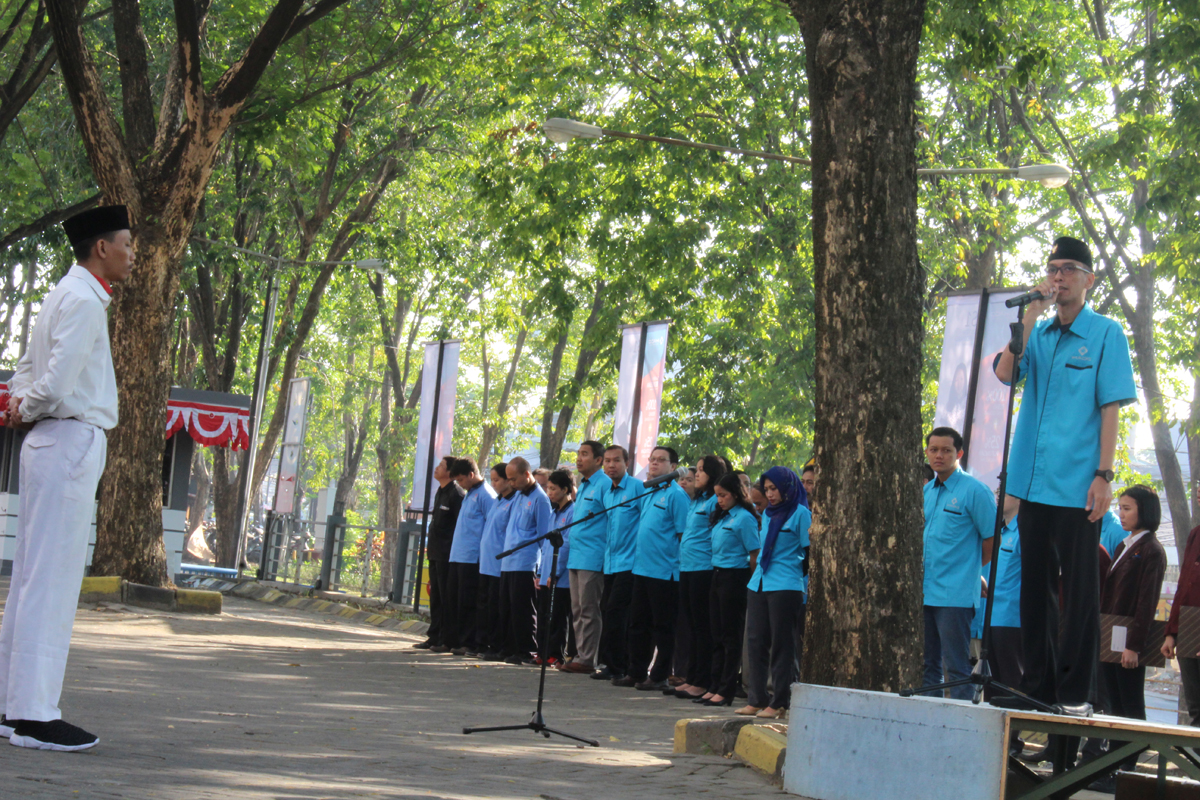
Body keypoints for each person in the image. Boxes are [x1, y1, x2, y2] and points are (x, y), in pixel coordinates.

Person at [0, 205, 133, 752]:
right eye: (126, 243)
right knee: (50, 582)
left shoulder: (63, 294)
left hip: (47, 444)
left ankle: (12, 707)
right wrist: (28, 405)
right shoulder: (83, 301)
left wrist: (18, 405)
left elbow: (29, 374)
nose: (132, 253)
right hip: (70, 438)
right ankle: (33, 715)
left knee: (32, 579)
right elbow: (51, 383)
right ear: (100, 247)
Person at [993, 235, 1137, 715]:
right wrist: (1027, 321)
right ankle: (1039, 689)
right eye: (1053, 268)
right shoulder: (1038, 333)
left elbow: (1111, 407)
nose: (1058, 277)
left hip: (1078, 486)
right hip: (1031, 485)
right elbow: (1003, 374)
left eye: (1069, 268)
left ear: (1089, 280)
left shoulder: (1106, 334)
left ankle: (1076, 695)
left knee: (1076, 594)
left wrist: (1104, 474)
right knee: (1033, 595)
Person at [1093, 486, 1166, 776]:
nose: (1121, 514)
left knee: (1130, 703)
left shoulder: (1151, 550)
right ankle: (1115, 766)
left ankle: (1128, 768)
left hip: (1128, 641)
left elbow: (1146, 603)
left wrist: (1134, 645)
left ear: (1144, 511)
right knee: (1115, 704)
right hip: (1112, 635)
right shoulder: (1125, 545)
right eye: (1120, 508)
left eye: (1127, 508)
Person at [921, 427, 996, 701]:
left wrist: (972, 571)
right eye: (934, 449)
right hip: (923, 591)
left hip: (954, 595)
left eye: (946, 450)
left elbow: (991, 540)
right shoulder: (927, 491)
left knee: (955, 665)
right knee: (925, 665)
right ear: (927, 452)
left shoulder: (975, 491)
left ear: (959, 454)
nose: (939, 455)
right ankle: (927, 721)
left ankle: (961, 725)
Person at [739, 467, 810, 720]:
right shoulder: (767, 513)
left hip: (785, 585)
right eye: (766, 489)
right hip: (759, 582)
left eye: (774, 488)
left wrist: (794, 575)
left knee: (782, 644)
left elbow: (808, 553)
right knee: (756, 641)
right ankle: (757, 699)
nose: (770, 494)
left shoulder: (801, 513)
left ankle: (780, 701)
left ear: (787, 487)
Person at [622, 446, 689, 691]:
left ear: (673, 467)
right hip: (641, 569)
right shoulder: (649, 492)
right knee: (638, 624)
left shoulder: (676, 495)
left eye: (661, 460)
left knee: (663, 627)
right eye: (652, 460)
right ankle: (636, 671)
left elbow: (683, 535)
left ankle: (659, 675)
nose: (654, 464)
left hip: (665, 572)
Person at [697, 472, 760, 707]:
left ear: (735, 494)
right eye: (717, 496)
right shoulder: (722, 517)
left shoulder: (744, 518)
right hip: (717, 574)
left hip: (735, 577)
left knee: (730, 635)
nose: (719, 500)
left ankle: (726, 689)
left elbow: (754, 553)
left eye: (723, 496)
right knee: (716, 634)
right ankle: (714, 685)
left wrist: (752, 584)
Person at [673, 456, 726, 701]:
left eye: (703, 470)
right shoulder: (696, 500)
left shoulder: (716, 501)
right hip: (687, 568)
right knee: (691, 626)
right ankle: (691, 677)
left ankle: (702, 680)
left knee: (703, 627)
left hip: (704, 569)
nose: (697, 474)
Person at [595, 445, 643, 682]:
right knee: (608, 612)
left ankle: (620, 666)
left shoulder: (637, 488)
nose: (611, 465)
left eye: (616, 461)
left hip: (630, 563)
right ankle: (612, 665)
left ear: (627, 462)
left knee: (618, 614)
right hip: (610, 563)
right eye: (607, 461)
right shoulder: (607, 492)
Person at [499, 457, 553, 664]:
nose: (511, 483)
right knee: (508, 608)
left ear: (526, 475)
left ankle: (526, 650)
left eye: (513, 479)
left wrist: (542, 570)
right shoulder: (518, 497)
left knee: (523, 609)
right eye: (508, 479)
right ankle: (509, 647)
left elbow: (543, 536)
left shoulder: (540, 499)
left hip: (526, 562)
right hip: (509, 561)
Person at [560, 440, 607, 674]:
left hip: (593, 555)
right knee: (577, 610)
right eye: (578, 454)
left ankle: (588, 659)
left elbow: (611, 521)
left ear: (599, 460)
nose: (579, 459)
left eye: (585, 454)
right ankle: (579, 654)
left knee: (589, 610)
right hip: (576, 555)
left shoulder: (605, 484)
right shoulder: (585, 484)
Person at [446, 458, 497, 656]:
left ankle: (471, 641)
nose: (459, 484)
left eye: (461, 480)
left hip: (473, 557)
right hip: (458, 555)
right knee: (456, 600)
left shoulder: (486, 495)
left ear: (471, 475)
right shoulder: (469, 494)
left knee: (469, 601)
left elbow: (490, 526)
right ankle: (458, 639)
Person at [416, 456, 465, 653]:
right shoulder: (440, 492)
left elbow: (458, 526)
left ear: (451, 472)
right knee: (435, 596)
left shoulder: (456, 494)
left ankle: (447, 638)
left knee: (446, 597)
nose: (436, 469)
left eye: (441, 466)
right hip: (435, 552)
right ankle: (434, 636)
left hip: (448, 554)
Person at [1163, 482, 1200, 726]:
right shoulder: (1195, 533)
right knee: (1196, 708)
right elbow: (1182, 588)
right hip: (1189, 627)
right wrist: (1171, 633)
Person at [476, 464, 516, 660]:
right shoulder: (497, 501)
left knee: (498, 607)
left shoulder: (514, 501)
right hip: (486, 562)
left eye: (497, 479)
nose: (494, 483)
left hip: (500, 564)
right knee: (485, 605)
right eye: (491, 480)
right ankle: (485, 643)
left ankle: (498, 645)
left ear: (509, 480)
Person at [535, 470, 575, 665]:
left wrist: (554, 572)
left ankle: (555, 653)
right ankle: (541, 652)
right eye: (547, 488)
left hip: (560, 577)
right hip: (546, 575)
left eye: (553, 488)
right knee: (543, 615)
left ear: (565, 489)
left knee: (557, 617)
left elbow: (565, 544)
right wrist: (541, 572)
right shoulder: (554, 513)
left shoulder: (572, 512)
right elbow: (546, 546)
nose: (549, 493)